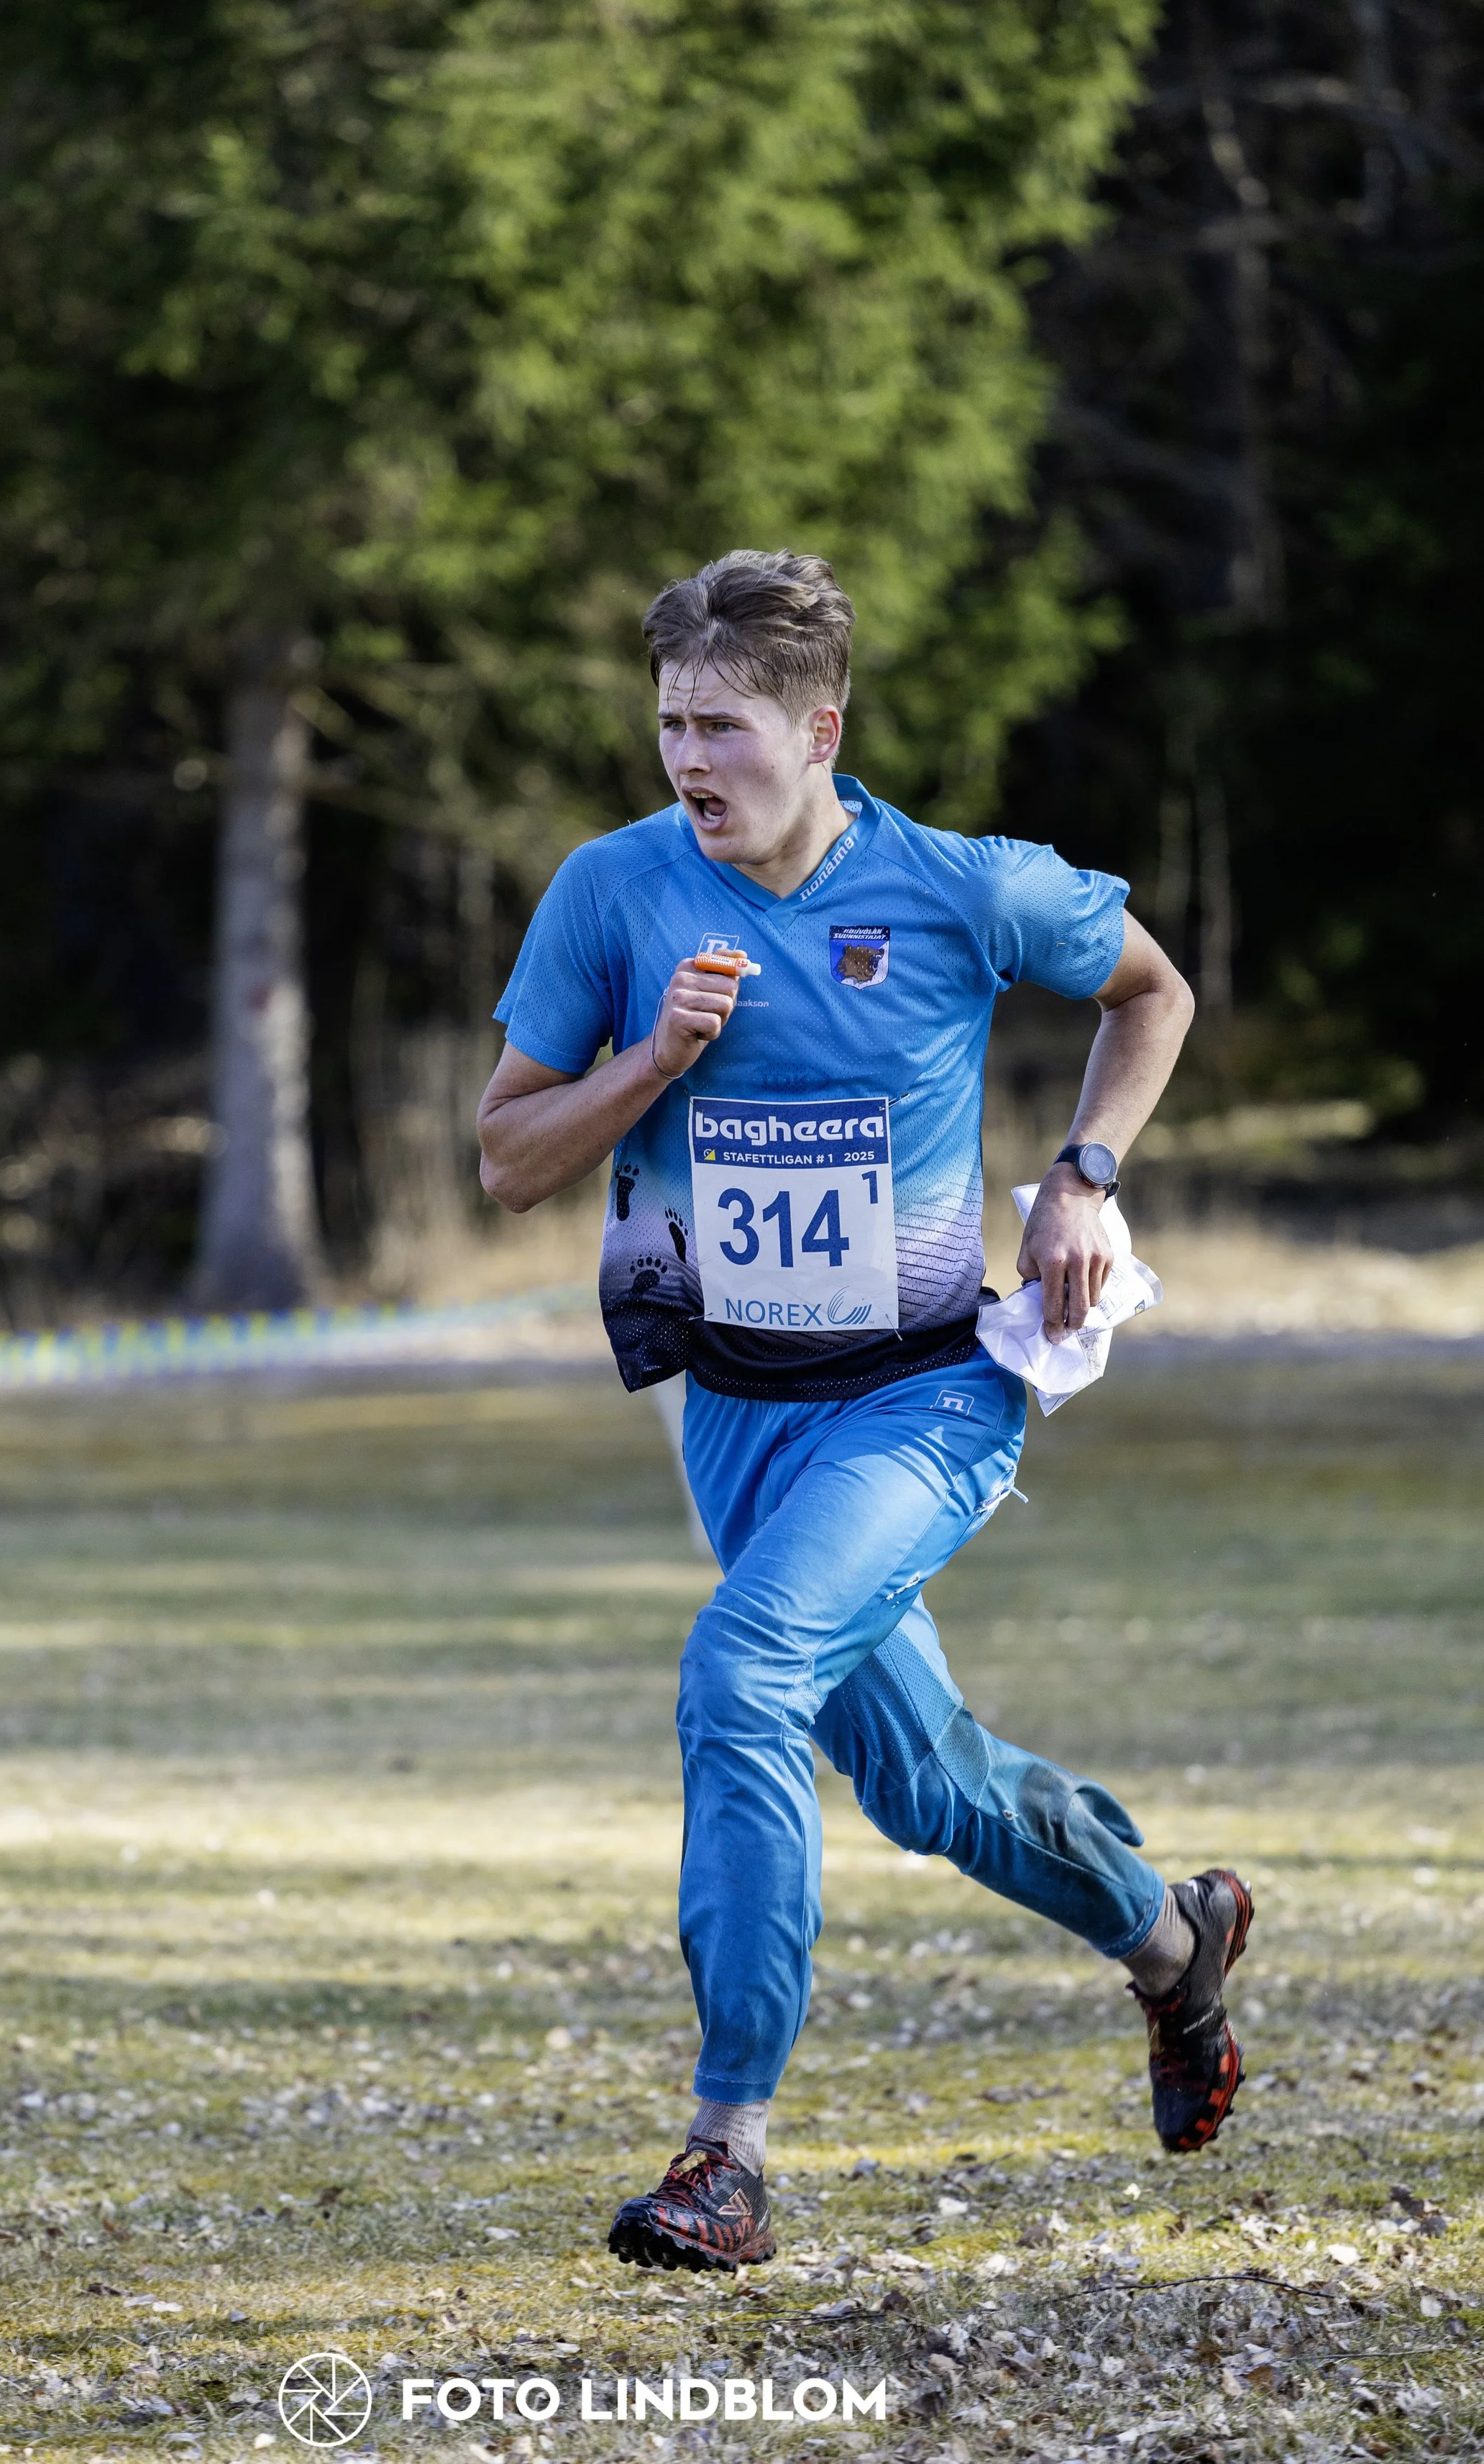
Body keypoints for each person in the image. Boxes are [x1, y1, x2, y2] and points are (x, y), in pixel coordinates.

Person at [477, 550, 1250, 2275]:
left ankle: (723, 2151)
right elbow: (510, 1158)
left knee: (740, 1673)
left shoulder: (961, 888)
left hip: (927, 1397)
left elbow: (1151, 990)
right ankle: (1168, 1936)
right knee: (919, 1781)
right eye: (669, 720)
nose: (691, 759)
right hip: (735, 1418)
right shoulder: (611, 896)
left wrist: (1083, 1175)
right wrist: (648, 1067)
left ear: (818, 728)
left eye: (726, 727)